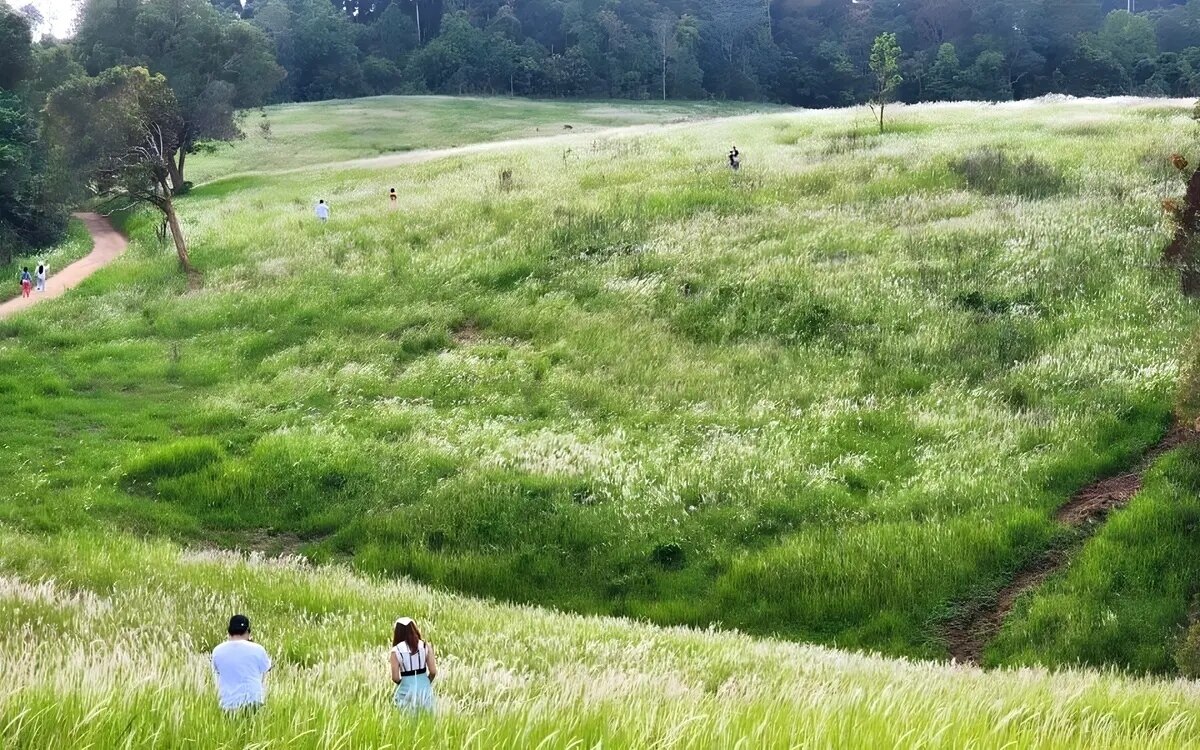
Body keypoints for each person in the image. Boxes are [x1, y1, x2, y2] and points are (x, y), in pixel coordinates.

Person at [212, 614, 272, 712]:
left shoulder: (217, 651)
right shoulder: (258, 649)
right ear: (248, 632)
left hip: (227, 704)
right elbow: (267, 668)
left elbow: (216, 671)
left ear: (229, 631)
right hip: (253, 703)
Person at [390, 617, 437, 712]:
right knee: (427, 717)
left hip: (406, 689)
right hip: (424, 687)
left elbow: (395, 677)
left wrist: (404, 683)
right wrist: (426, 682)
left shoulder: (396, 650)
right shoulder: (425, 646)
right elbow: (433, 671)